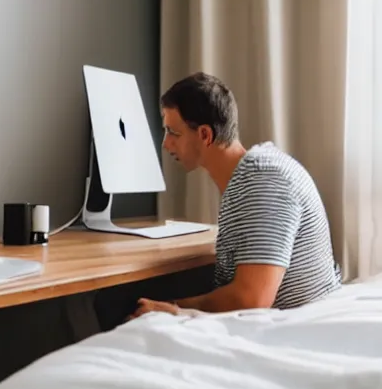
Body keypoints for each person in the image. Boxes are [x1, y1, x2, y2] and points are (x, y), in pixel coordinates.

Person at [129, 72, 342, 320]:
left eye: (173, 133)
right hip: (289, 312)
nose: (166, 144)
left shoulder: (262, 179)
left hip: (294, 322)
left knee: (121, 304)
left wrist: (173, 308)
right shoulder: (249, 175)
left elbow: (252, 299)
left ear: (205, 135)